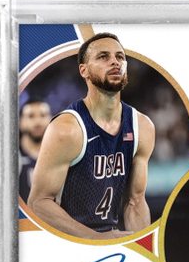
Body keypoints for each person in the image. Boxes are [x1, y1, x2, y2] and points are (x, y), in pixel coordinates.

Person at [28, 33, 155, 239]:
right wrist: (95, 239)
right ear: (84, 70)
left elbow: (136, 201)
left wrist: (140, 243)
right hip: (67, 241)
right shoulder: (67, 128)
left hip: (109, 239)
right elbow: (38, 203)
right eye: (103, 57)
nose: (115, 62)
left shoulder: (142, 126)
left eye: (120, 57)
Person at [18, 100, 51, 202]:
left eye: (43, 115)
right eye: (31, 116)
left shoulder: (63, 156)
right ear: (20, 122)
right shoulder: (8, 159)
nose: (38, 122)